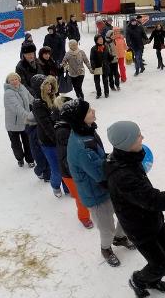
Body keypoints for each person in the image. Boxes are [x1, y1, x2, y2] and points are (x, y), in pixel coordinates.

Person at [104, 120, 165, 298]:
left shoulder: (128, 158)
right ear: (126, 143)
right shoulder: (122, 175)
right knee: (161, 264)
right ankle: (138, 281)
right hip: (139, 228)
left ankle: (153, 280)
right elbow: (154, 200)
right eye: (137, 136)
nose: (142, 137)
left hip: (151, 219)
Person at [62, 99, 134, 267]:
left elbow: (100, 158)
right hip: (96, 194)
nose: (93, 111)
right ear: (80, 118)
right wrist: (123, 167)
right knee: (106, 228)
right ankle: (106, 248)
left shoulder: (87, 131)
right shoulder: (81, 147)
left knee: (125, 213)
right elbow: (101, 174)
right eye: (88, 111)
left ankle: (120, 237)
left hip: (106, 187)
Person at [53, 95, 93, 229]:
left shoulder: (76, 126)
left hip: (81, 169)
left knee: (85, 193)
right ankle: (84, 217)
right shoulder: (64, 131)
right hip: (72, 173)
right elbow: (66, 157)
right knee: (81, 197)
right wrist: (77, 172)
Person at [30, 75, 67, 197]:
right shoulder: (37, 104)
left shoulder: (55, 97)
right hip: (48, 142)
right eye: (46, 85)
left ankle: (67, 188)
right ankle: (56, 186)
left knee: (66, 166)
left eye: (50, 84)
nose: (50, 86)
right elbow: (46, 125)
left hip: (60, 138)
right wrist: (57, 140)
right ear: (40, 88)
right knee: (56, 169)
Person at [3, 72, 35, 168]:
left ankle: (30, 159)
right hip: (13, 124)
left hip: (25, 122)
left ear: (19, 80)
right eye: (11, 80)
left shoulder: (22, 88)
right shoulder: (8, 93)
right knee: (16, 144)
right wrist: (29, 116)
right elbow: (17, 108)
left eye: (15, 79)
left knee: (28, 142)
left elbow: (31, 98)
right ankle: (20, 158)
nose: (14, 81)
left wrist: (38, 104)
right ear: (8, 82)